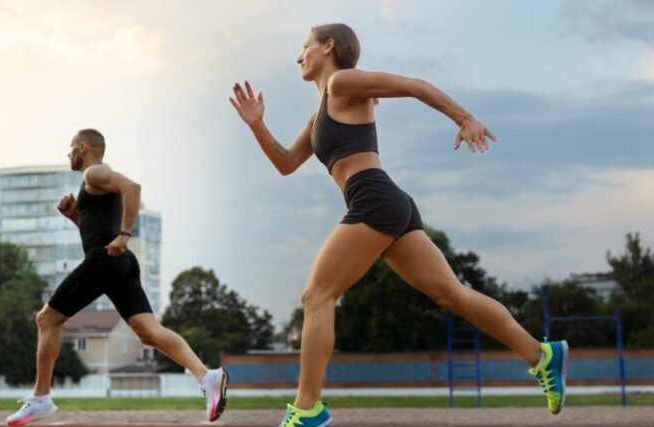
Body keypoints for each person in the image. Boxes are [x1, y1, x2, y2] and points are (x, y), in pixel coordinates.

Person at [229, 24, 567, 427]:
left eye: (305, 46)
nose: (299, 56)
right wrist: (256, 125)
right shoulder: (320, 110)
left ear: (329, 47)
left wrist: (465, 117)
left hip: (373, 198)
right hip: (386, 203)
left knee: (316, 297)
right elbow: (286, 163)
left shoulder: (342, 82)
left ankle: (307, 410)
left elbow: (412, 84)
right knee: (453, 295)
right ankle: (542, 355)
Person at [5, 129, 228, 426]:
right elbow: (98, 227)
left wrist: (124, 235)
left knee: (47, 320)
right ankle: (207, 376)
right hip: (119, 263)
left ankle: (41, 398)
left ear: (83, 147)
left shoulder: (95, 172)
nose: (68, 154)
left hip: (104, 260)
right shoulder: (93, 184)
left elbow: (133, 188)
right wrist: (74, 216)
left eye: (71, 148)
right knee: (149, 332)